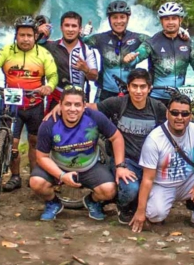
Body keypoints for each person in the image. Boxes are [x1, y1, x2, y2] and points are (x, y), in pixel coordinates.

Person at [45, 68, 167, 224]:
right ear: (128, 87)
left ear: (149, 88)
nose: (138, 91)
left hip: (150, 162)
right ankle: (121, 205)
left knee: (154, 207)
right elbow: (89, 107)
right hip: (125, 161)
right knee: (131, 190)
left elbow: (172, 128)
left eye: (142, 87)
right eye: (134, 86)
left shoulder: (158, 108)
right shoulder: (118, 103)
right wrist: (61, 106)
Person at [0, 16, 58, 192]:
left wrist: (48, 86)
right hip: (11, 105)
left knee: (34, 141)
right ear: (16, 36)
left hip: (35, 104)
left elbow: (53, 75)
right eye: (21, 35)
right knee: (13, 143)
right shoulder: (6, 51)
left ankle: (35, 175)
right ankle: (15, 175)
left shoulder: (43, 54)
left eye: (29, 35)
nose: (25, 39)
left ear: (35, 36)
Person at [30, 87, 129, 221]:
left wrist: (120, 165)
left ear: (84, 106)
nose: (72, 109)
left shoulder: (95, 117)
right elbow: (41, 157)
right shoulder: (49, 124)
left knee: (109, 190)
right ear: (60, 105)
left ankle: (92, 201)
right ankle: (52, 202)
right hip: (58, 166)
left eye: (77, 105)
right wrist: (62, 175)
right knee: (36, 182)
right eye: (68, 104)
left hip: (89, 166)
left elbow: (116, 138)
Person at [130, 94, 194, 232]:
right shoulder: (154, 139)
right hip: (162, 185)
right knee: (155, 215)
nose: (179, 117)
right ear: (167, 113)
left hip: (188, 181)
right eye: (175, 113)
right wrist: (140, 212)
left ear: (190, 115)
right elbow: (148, 179)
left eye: (184, 114)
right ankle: (149, 207)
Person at [123, 2, 194, 104]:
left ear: (180, 20)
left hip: (178, 98)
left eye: (174, 18)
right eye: (166, 19)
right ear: (161, 21)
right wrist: (131, 57)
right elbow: (140, 53)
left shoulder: (188, 43)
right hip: (156, 98)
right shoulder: (152, 42)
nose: (170, 22)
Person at [83, 1, 148, 102]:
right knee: (97, 117)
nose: (118, 21)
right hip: (104, 93)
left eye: (122, 17)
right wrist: (82, 35)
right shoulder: (100, 38)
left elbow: (156, 42)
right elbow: (76, 44)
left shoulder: (137, 38)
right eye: (114, 17)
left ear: (128, 18)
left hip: (129, 94)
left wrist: (179, 33)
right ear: (109, 19)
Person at [43, 11, 99, 112]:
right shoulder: (51, 47)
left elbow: (95, 77)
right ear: (61, 28)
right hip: (56, 98)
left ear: (79, 29)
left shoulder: (87, 50)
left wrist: (86, 70)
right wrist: (38, 31)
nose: (70, 29)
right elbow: (28, 44)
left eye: (74, 26)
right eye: (67, 25)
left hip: (79, 100)